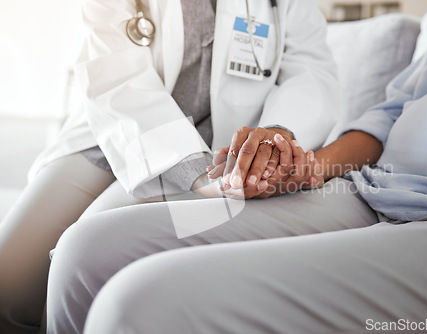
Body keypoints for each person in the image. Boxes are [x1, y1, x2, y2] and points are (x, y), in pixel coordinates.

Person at [45, 1, 427, 333]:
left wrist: (279, 138)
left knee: (136, 303)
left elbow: (311, 77)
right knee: (86, 250)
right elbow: (388, 114)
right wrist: (306, 169)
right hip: (368, 186)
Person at [0, 0, 339, 333]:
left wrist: (279, 136)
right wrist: (195, 172)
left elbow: (312, 73)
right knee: (8, 281)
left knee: (81, 256)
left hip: (224, 150)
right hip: (116, 129)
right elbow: (113, 76)